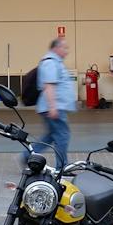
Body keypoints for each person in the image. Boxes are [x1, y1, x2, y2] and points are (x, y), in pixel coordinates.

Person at [37, 35, 76, 167]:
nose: (67, 51)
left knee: (52, 135)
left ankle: (27, 156)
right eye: (64, 48)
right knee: (62, 135)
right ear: (56, 48)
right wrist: (52, 107)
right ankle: (62, 166)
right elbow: (49, 86)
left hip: (55, 106)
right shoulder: (50, 62)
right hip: (54, 107)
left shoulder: (56, 62)